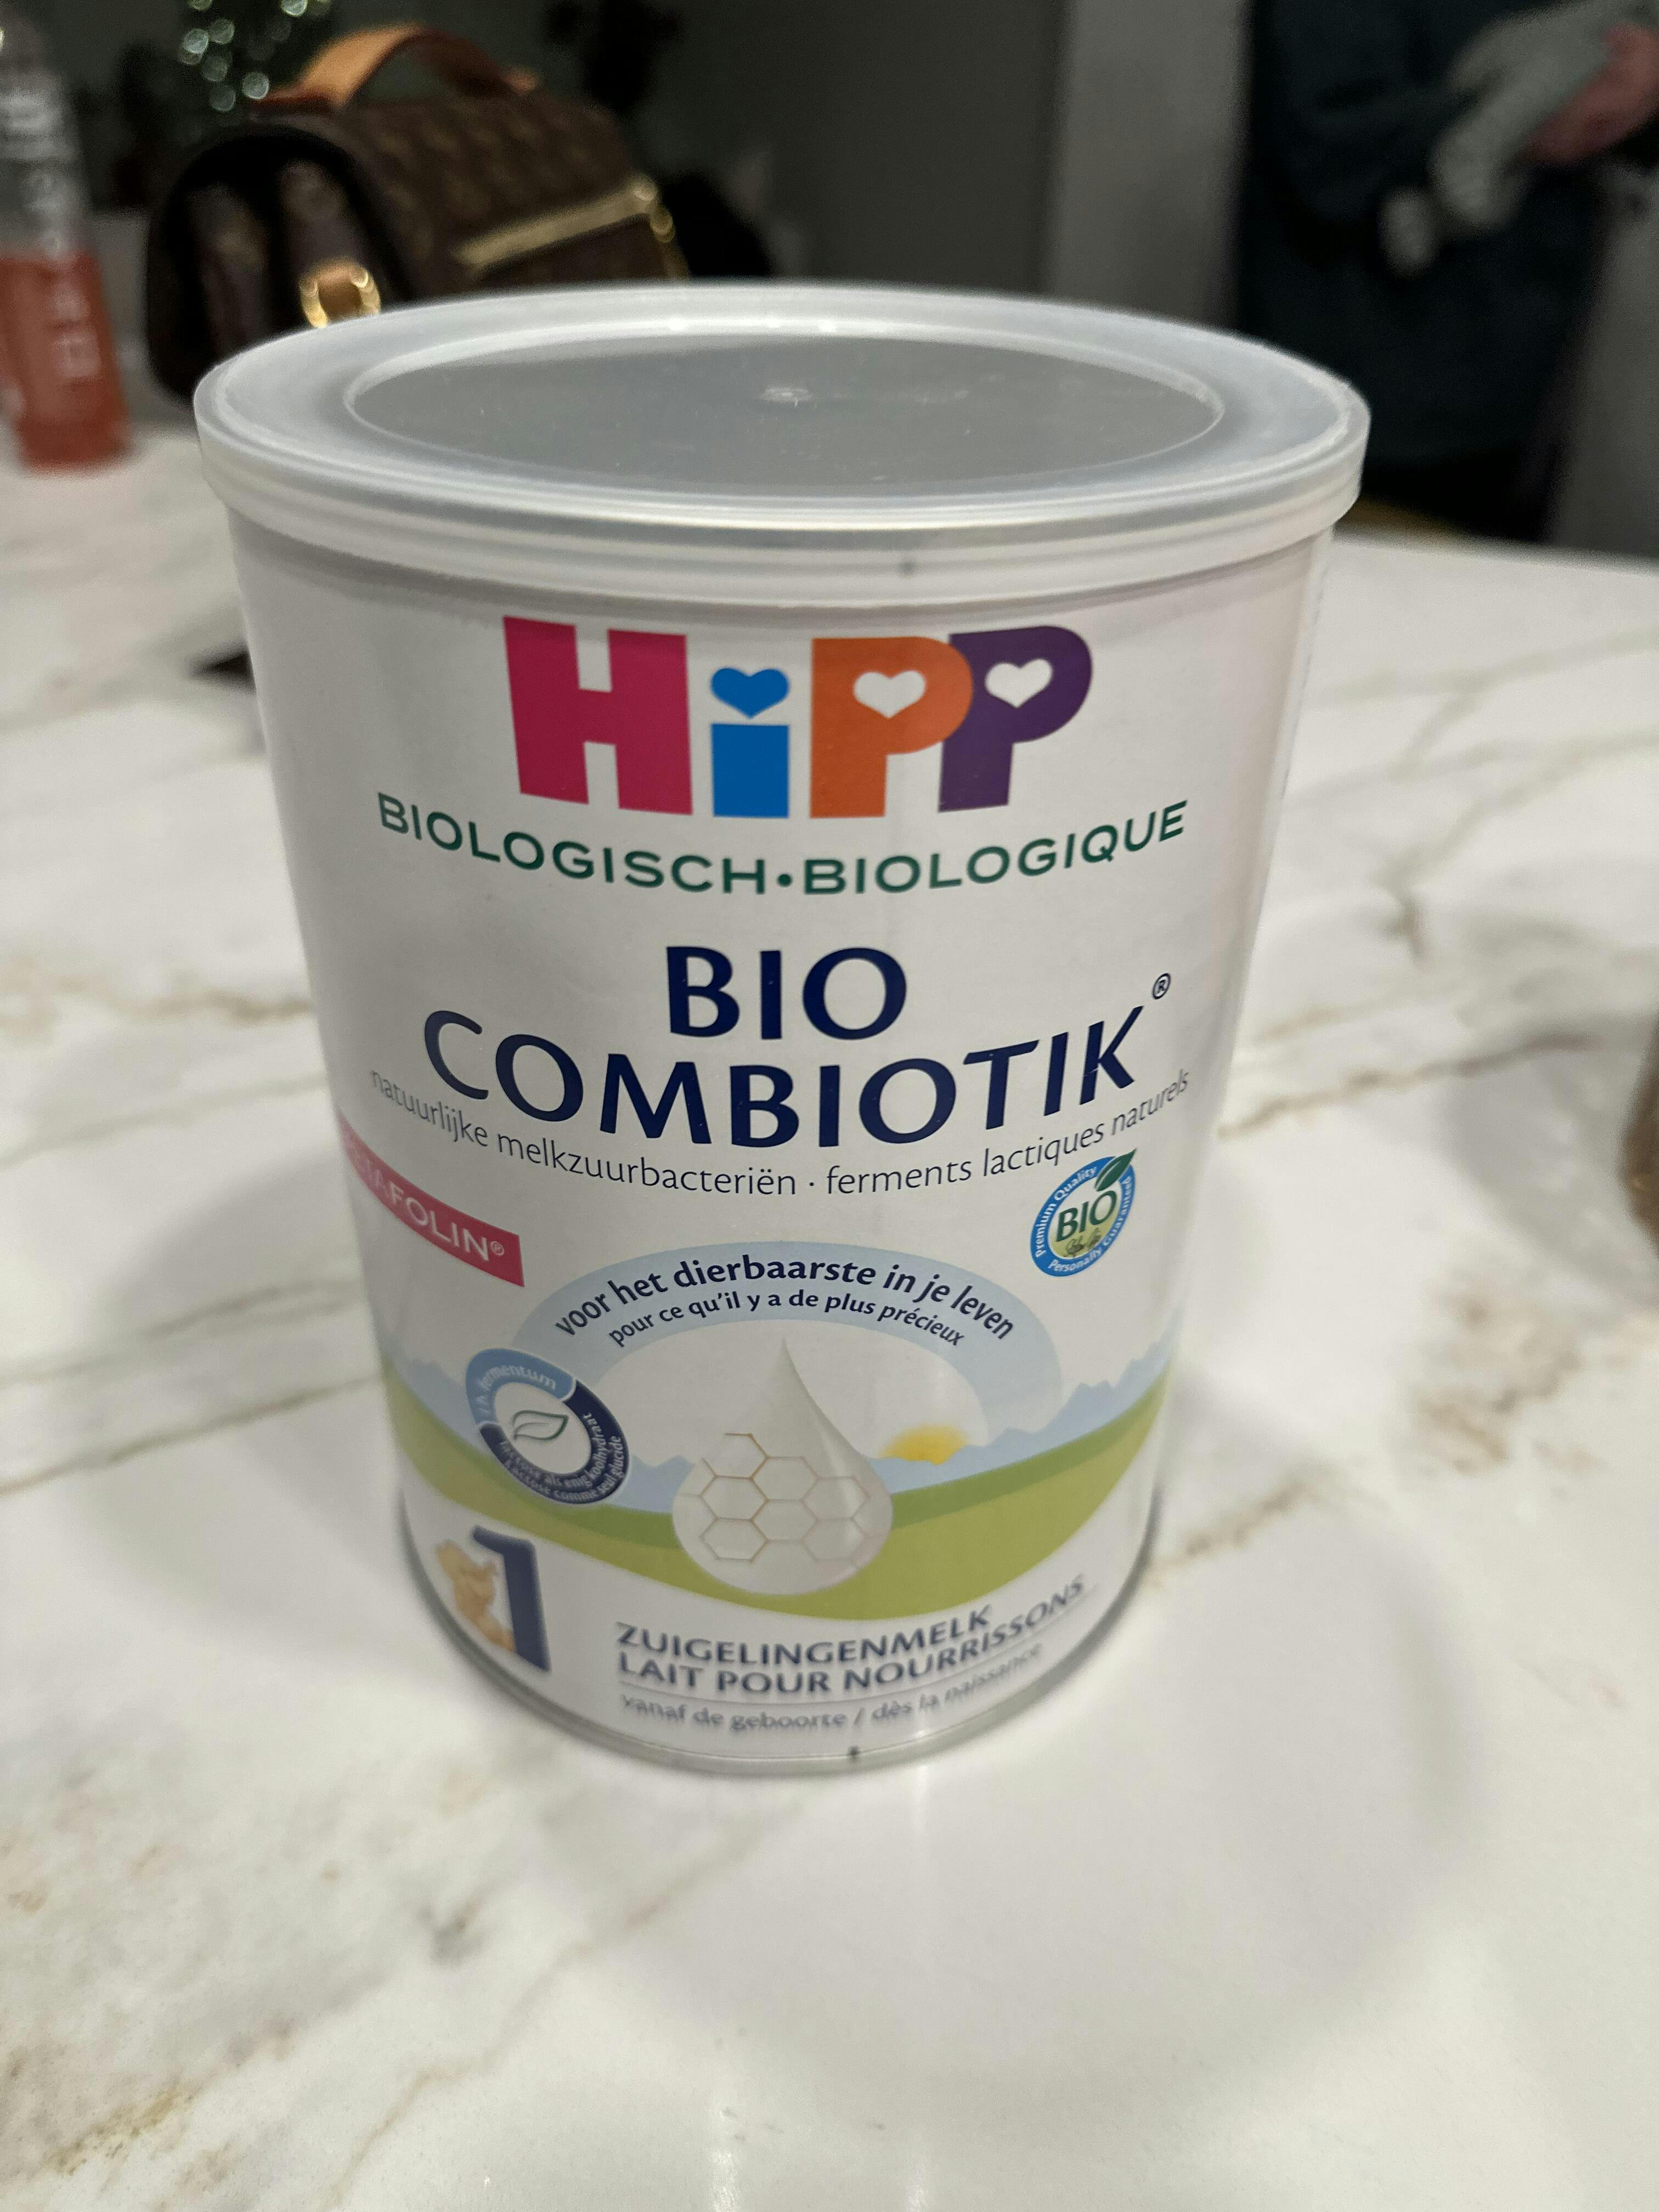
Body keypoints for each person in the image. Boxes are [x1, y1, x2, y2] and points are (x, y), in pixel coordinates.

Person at [1240, 2, 1659, 537]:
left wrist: (1634, 83)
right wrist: (1534, 113)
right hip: (1371, 385)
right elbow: (1325, 146)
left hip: (1532, 394)